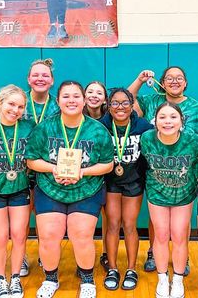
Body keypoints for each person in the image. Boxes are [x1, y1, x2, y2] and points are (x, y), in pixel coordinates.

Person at [24, 81, 114, 298]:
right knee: (48, 235)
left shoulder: (97, 130)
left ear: (84, 100)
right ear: (58, 101)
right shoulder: (45, 127)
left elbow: (108, 164)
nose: (71, 100)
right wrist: (53, 169)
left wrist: (82, 172)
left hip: (86, 190)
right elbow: (31, 160)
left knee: (81, 234)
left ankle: (87, 279)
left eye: (76, 96)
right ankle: (50, 278)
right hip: (50, 189)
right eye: (66, 96)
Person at [128, 67, 198, 275]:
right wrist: (139, 80)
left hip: (184, 173)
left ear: (186, 83)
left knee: (181, 225)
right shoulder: (151, 101)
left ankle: (183, 257)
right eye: (169, 78)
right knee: (159, 219)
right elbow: (129, 103)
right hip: (159, 169)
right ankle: (153, 252)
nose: (174, 81)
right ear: (162, 83)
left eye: (179, 78)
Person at [140, 102, 198, 298]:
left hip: (183, 194)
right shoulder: (147, 139)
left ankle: (177, 280)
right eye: (163, 117)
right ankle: (162, 278)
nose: (168, 121)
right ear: (155, 121)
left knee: (178, 236)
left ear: (181, 121)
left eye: (173, 117)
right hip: (157, 193)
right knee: (160, 234)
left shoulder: (193, 140)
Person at [0, 85, 35, 298]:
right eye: (11, 104)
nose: (16, 110)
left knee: (19, 235)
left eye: (21, 106)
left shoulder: (28, 127)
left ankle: (15, 278)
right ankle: (1, 279)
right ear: (0, 103)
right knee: (0, 237)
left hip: (20, 189)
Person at [99, 88, 153, 291]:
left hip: (134, 181)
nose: (120, 107)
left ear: (132, 106)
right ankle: (113, 268)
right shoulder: (102, 126)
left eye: (124, 103)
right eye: (115, 103)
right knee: (113, 224)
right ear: (108, 106)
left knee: (129, 225)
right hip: (111, 182)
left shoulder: (143, 126)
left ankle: (131, 269)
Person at [22, 58, 60, 276]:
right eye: (36, 75)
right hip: (20, 167)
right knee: (22, 216)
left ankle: (44, 253)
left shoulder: (59, 104)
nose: (40, 79)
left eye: (45, 75)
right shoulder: (19, 102)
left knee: (44, 214)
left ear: (52, 80)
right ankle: (22, 257)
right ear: (28, 79)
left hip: (49, 166)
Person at [83, 80, 109, 270]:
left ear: (105, 99)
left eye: (99, 93)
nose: (94, 95)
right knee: (85, 221)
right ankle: (83, 256)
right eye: (90, 91)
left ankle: (106, 253)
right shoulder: (76, 117)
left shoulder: (111, 119)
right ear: (84, 96)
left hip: (108, 172)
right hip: (84, 176)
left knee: (108, 216)